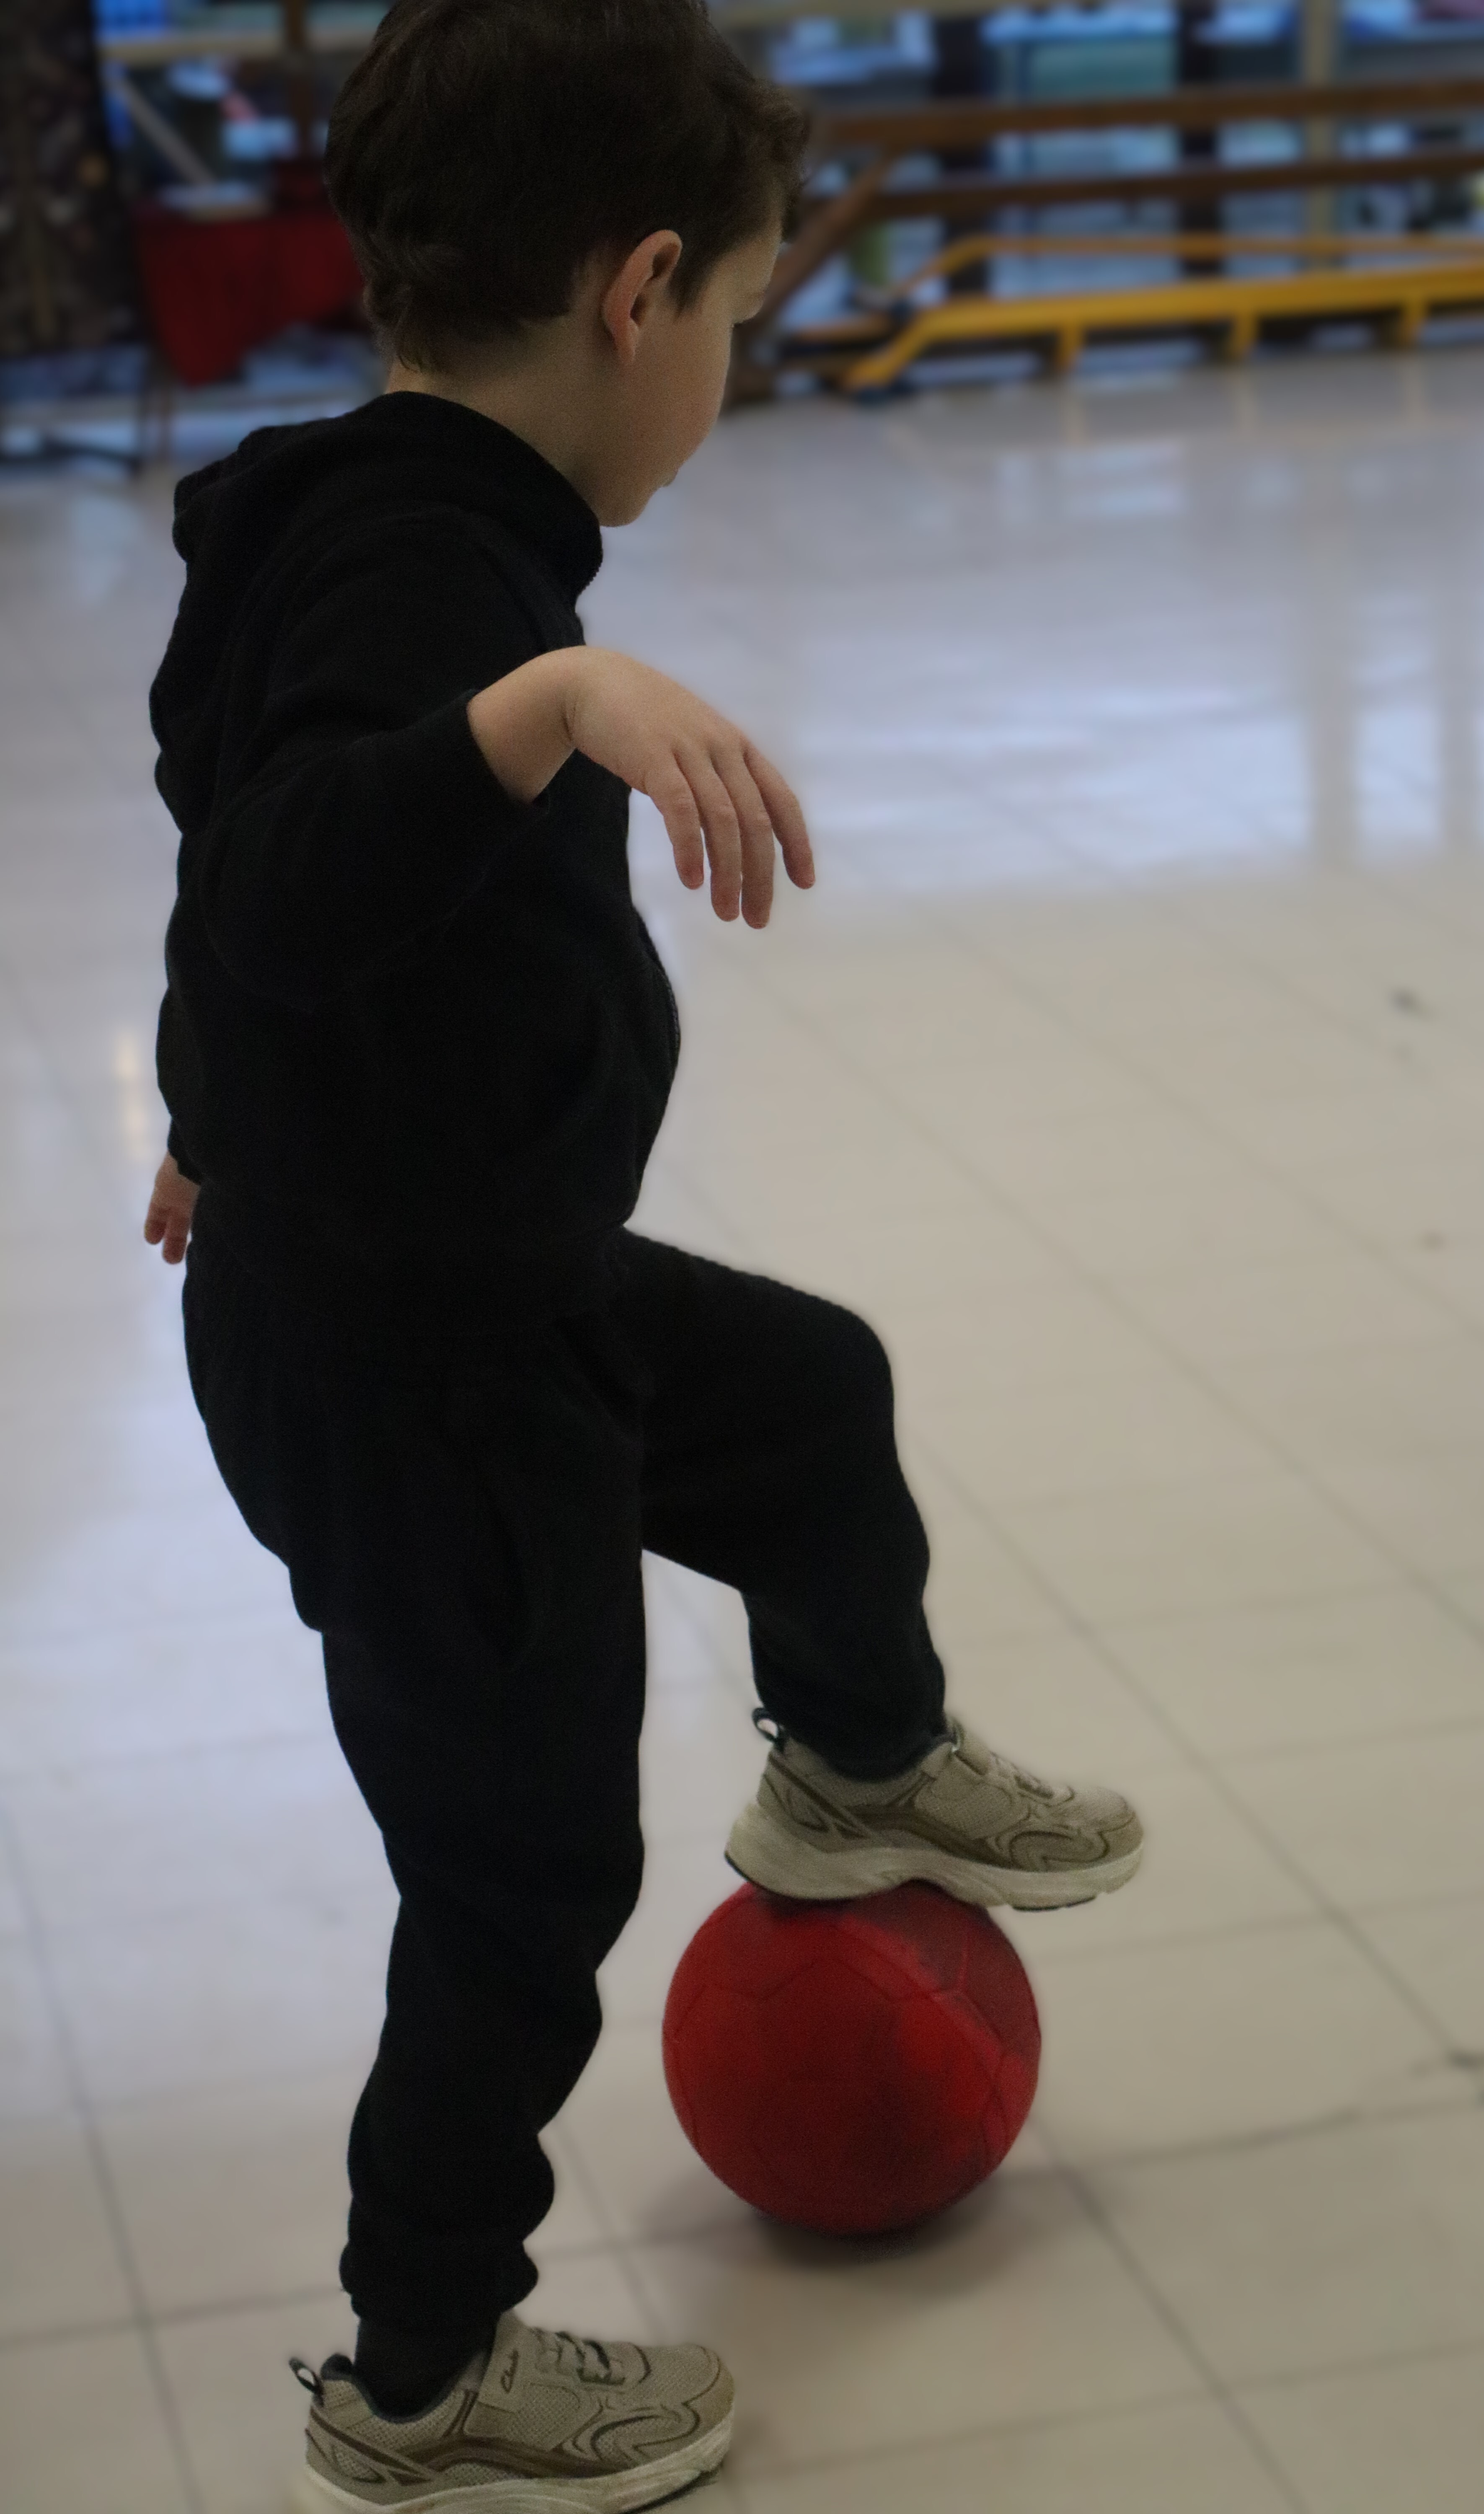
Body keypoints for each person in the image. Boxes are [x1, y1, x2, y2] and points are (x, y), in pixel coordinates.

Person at [141, 3, 1145, 2505]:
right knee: (522, 1873)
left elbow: (213, 807)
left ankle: (859, 1772)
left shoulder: (346, 508)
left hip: (469, 1273)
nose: (723, 382)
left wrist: (215, 1110)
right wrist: (548, 704)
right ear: (639, 289)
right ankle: (421, 2377)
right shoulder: (431, 568)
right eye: (738, 324)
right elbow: (282, 865)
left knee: (802, 1394)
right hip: (409, 1365)